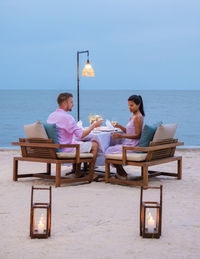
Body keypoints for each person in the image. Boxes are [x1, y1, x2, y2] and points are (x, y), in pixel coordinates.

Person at [47, 92, 102, 177]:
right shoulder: (68, 117)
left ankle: (77, 172)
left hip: (55, 148)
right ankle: (91, 174)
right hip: (65, 149)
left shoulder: (51, 115)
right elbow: (81, 135)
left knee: (79, 143)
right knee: (95, 145)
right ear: (65, 103)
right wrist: (93, 125)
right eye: (71, 102)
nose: (73, 104)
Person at [105, 95, 145, 179]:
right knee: (111, 149)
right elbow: (129, 131)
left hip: (132, 146)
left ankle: (122, 173)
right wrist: (119, 126)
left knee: (109, 150)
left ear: (138, 105)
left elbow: (138, 135)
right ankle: (121, 173)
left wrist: (121, 135)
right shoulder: (134, 116)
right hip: (128, 143)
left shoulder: (138, 117)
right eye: (128, 105)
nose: (129, 107)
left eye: (132, 105)